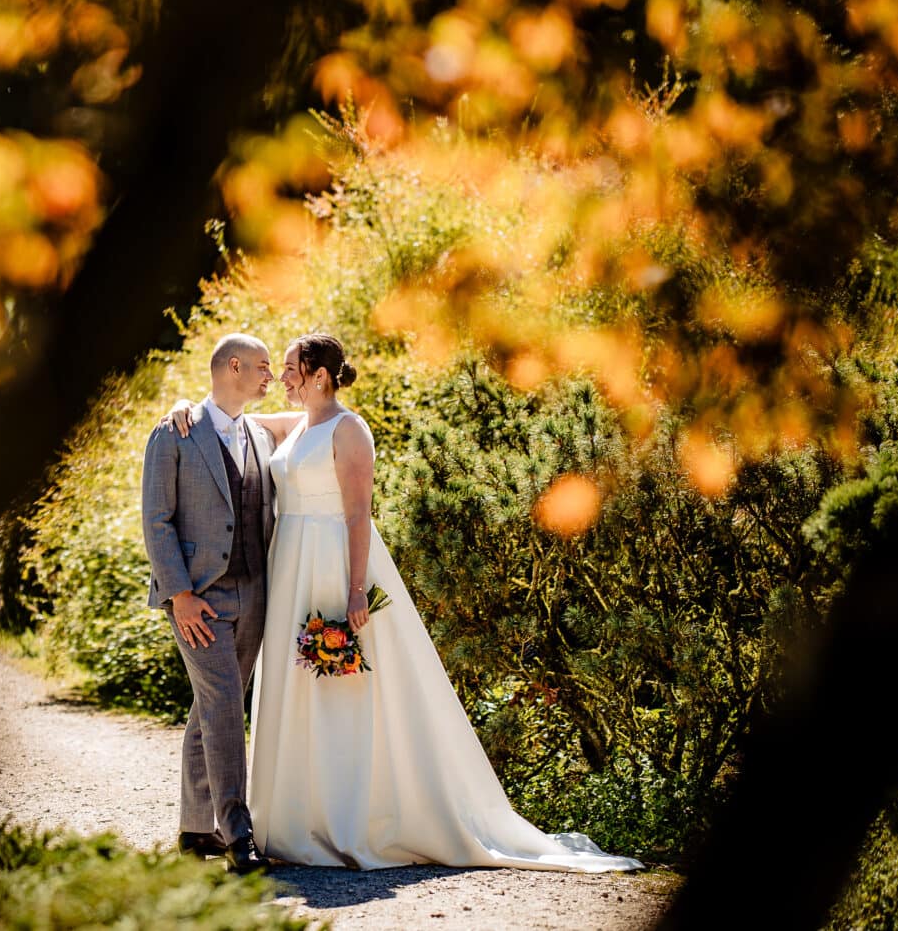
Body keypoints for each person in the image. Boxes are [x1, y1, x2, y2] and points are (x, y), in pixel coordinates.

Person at [164, 333, 639, 872]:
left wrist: (355, 589)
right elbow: (230, 424)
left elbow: (358, 514)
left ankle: (352, 816)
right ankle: (296, 815)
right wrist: (185, 408)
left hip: (333, 566)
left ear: (320, 375)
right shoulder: (294, 426)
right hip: (290, 573)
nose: (283, 378)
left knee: (348, 690)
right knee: (295, 690)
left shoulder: (351, 430)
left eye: (292, 368)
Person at [140, 332, 277, 873]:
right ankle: (237, 836)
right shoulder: (173, 434)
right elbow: (156, 519)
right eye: (263, 367)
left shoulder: (260, 435)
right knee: (224, 709)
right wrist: (179, 596)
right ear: (234, 366)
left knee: (211, 708)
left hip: (254, 594)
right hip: (198, 599)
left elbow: (323, 422)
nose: (270, 376)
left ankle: (195, 832)